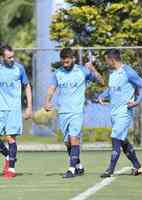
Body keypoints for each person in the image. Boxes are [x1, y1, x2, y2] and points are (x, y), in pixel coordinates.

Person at [44, 48, 104, 178]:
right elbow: (51, 88)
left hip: (77, 111)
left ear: (73, 59)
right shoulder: (58, 73)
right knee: (68, 142)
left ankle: (71, 169)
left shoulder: (82, 71)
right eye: (63, 62)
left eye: (67, 62)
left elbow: (101, 82)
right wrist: (47, 101)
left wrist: (93, 69)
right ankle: (78, 165)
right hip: (63, 112)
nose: (65, 64)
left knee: (74, 138)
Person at [0, 44, 32, 178]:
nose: (12, 59)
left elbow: (27, 86)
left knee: (10, 138)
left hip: (14, 109)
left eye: (13, 56)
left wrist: (29, 107)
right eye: (9, 57)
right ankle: (9, 156)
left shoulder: (19, 68)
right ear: (2, 57)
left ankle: (12, 169)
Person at [97, 49, 142, 178]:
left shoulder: (128, 71)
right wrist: (102, 95)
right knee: (122, 140)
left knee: (115, 137)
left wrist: (137, 102)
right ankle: (138, 167)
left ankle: (110, 169)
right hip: (114, 112)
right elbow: (111, 89)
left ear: (111, 60)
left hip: (124, 112)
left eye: (106, 60)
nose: (106, 63)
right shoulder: (113, 73)